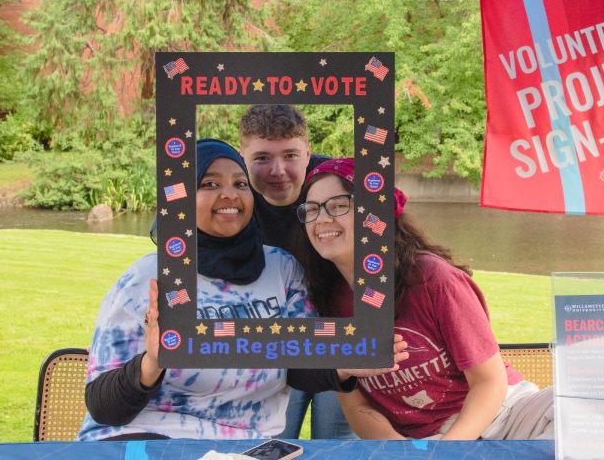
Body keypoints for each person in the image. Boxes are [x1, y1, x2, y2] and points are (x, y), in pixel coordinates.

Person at [77, 140, 407, 441]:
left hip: (250, 446)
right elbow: (103, 408)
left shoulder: (283, 270)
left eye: (240, 183)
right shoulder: (146, 279)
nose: (230, 194)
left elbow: (300, 365)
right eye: (210, 184)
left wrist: (344, 364)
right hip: (149, 440)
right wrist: (152, 363)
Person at [294, 158, 554, 440]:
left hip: (504, 415)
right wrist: (400, 450)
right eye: (312, 209)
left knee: (578, 412)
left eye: (338, 205)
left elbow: (489, 382)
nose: (321, 218)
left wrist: (446, 453)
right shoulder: (326, 301)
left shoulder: (433, 279)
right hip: (421, 442)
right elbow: (356, 404)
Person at [238, 104, 355, 440]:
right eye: (262, 158)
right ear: (242, 156)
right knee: (270, 441)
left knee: (336, 443)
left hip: (341, 333)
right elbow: (171, 230)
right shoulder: (231, 191)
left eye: (290, 155)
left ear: (307, 152)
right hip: (274, 339)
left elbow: (389, 231)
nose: (278, 171)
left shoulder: (333, 183)